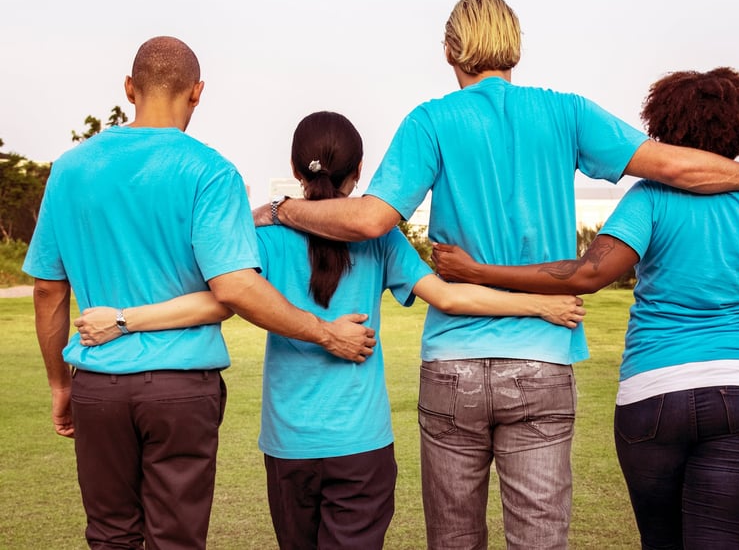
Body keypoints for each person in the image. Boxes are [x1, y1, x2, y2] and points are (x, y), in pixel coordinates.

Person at [256, 0, 739, 549]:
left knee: (453, 540)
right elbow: (672, 164)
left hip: (453, 364)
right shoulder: (566, 112)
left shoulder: (430, 121)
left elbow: (371, 219)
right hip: (542, 358)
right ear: (515, 46)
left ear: (450, 49)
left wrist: (282, 209)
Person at [73, 111, 587, 549]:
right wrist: (538, 306)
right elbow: (450, 296)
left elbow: (220, 299)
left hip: (288, 446)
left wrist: (123, 319)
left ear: (296, 169)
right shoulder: (381, 242)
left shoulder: (264, 239)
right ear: (359, 171)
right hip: (361, 444)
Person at [431, 67, 739, 549]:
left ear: (664, 125)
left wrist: (481, 272)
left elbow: (589, 273)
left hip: (653, 395)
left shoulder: (649, 198)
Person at [22, 37, 375, 549]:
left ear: (128, 87)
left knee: (109, 535)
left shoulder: (70, 169)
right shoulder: (211, 171)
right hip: (182, 387)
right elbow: (234, 287)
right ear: (198, 93)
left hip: (97, 381)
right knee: (177, 539)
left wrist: (60, 384)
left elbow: (48, 292)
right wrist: (325, 333)